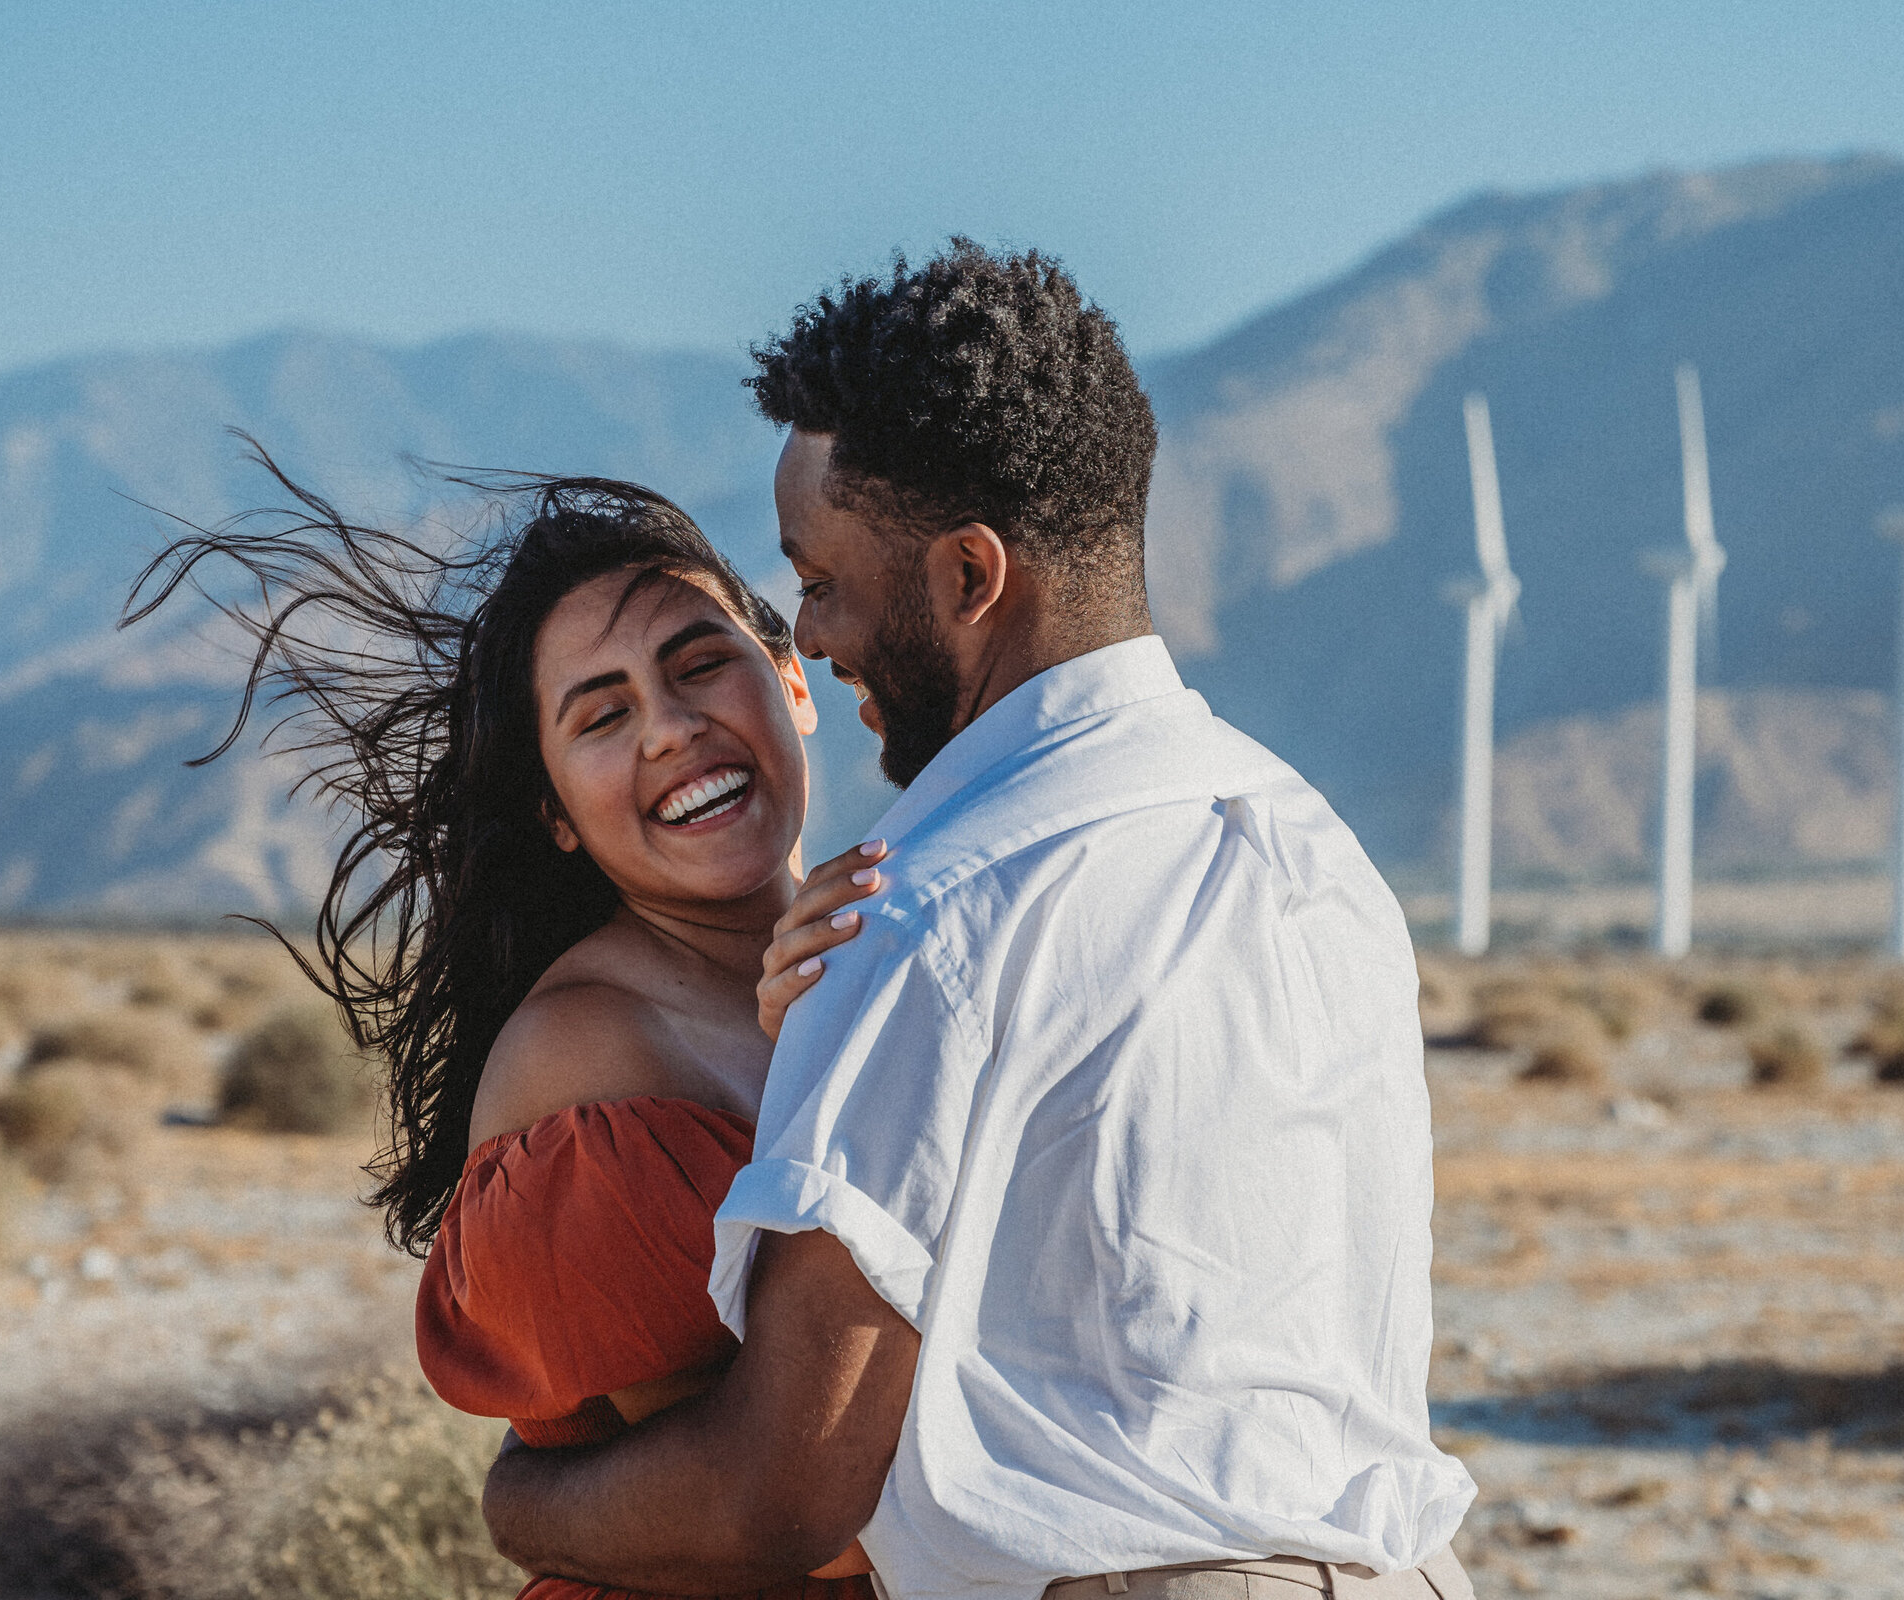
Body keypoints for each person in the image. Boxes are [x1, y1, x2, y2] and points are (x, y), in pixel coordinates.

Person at [480, 241, 1477, 1600]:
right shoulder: (1312, 848)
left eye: (820, 582)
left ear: (968, 579)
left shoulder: (918, 916)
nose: (813, 635)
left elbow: (785, 1489)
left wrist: (524, 1503)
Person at [124, 461, 886, 1600]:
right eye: (603, 714)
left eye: (702, 665)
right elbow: (784, 1522)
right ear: (555, 813)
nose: (672, 730)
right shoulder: (589, 1061)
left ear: (791, 680)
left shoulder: (884, 944)